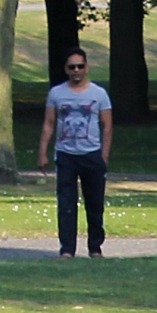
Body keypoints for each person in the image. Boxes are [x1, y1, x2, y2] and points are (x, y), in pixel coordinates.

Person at [37, 51, 113, 257]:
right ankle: (67, 249)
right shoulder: (56, 94)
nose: (76, 71)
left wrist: (103, 156)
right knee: (66, 205)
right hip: (66, 155)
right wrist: (42, 152)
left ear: (86, 67)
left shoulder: (98, 94)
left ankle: (95, 248)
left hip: (91, 155)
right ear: (66, 70)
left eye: (80, 66)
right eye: (72, 67)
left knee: (95, 204)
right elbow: (49, 123)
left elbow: (107, 126)